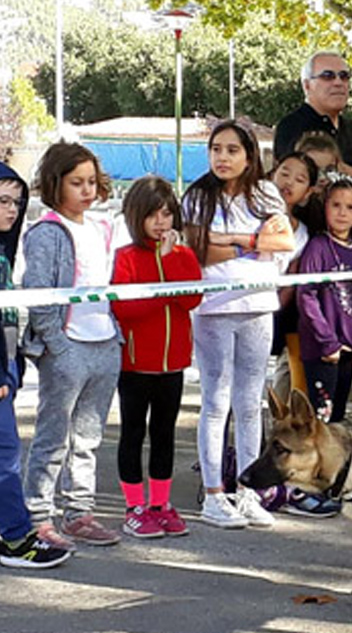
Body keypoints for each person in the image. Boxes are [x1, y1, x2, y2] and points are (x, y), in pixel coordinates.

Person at [182, 120, 295, 529]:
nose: (223, 158)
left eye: (232, 150)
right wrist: (249, 240)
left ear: (249, 155)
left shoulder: (266, 194)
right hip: (213, 307)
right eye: (217, 149)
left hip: (258, 305)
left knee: (250, 404)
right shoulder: (196, 196)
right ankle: (214, 495)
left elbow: (283, 243)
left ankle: (249, 492)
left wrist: (227, 241)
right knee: (216, 402)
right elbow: (196, 251)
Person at [20, 142, 123, 550]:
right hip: (68, 347)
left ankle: (80, 512)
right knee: (53, 435)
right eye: (76, 182)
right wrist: (57, 344)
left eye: (92, 183)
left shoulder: (101, 227)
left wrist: (114, 335)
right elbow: (38, 291)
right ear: (55, 183)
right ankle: (38, 515)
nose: (86, 190)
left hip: (103, 342)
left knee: (88, 437)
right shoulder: (46, 231)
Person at [110, 177, 203, 538]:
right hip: (135, 365)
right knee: (133, 434)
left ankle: (160, 504)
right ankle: (134, 506)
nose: (161, 222)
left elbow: (192, 298)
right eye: (153, 215)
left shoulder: (183, 254)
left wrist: (171, 262)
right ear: (137, 217)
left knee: (164, 434)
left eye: (167, 214)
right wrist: (163, 289)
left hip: (173, 364)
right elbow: (127, 308)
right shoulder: (126, 257)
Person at [0, 160, 71, 568]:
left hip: (7, 370)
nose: (11, 211)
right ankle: (14, 539)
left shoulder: (5, 254)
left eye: (16, 202)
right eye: (3, 201)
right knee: (6, 455)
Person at [297, 175, 352, 426]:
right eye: (336, 205)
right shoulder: (317, 247)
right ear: (325, 207)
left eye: (350, 207)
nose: (342, 213)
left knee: (338, 417)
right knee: (322, 418)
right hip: (323, 350)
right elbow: (306, 296)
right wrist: (327, 341)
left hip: (349, 347)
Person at [274, 52, 352, 207]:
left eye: (344, 76)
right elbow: (299, 190)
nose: (338, 82)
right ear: (307, 85)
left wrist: (340, 169)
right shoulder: (291, 127)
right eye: (327, 76)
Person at [270, 152, 321, 405]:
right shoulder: (248, 216)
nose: (288, 183)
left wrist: (273, 308)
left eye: (299, 179)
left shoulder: (303, 232)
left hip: (270, 313)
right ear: (272, 174)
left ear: (308, 192)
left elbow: (292, 278)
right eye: (284, 173)